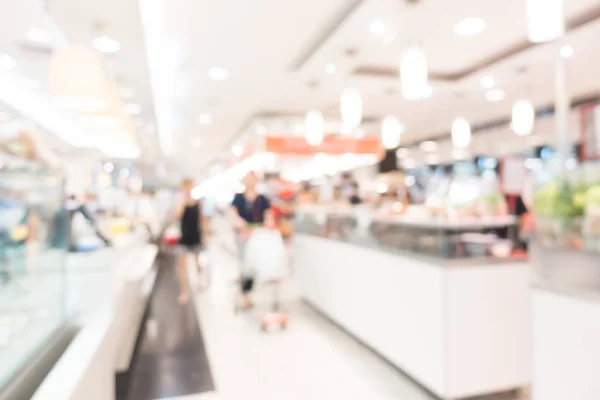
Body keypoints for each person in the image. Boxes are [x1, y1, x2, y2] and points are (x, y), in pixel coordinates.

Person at [230, 172, 271, 309]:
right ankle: (245, 294)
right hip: (242, 237)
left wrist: (263, 227)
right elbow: (233, 215)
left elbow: (267, 217)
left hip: (256, 237)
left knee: (253, 265)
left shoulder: (262, 199)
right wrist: (242, 225)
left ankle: (249, 292)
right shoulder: (238, 198)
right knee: (244, 265)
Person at [175, 179, 206, 304]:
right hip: (184, 237)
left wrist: (205, 237)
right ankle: (184, 292)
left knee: (197, 262)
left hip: (196, 236)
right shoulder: (180, 203)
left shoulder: (198, 203)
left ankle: (199, 282)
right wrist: (183, 202)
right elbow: (177, 216)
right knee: (181, 266)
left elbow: (202, 220)